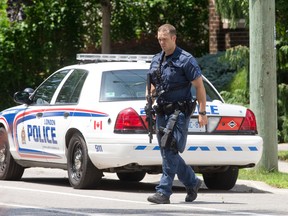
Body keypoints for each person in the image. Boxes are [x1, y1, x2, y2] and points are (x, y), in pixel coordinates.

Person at [146, 24, 208, 204]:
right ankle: (192, 181)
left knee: (170, 147)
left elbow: (199, 86)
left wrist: (202, 112)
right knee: (167, 151)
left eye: (164, 39)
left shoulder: (186, 60)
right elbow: (152, 83)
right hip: (162, 110)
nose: (161, 43)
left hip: (179, 111)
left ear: (174, 38)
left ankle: (163, 191)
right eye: (159, 39)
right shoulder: (156, 59)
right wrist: (149, 97)